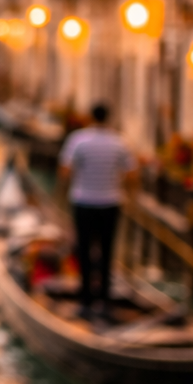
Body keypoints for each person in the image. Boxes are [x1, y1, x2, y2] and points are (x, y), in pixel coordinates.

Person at [57, 102, 138, 313]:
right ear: (108, 118)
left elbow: (65, 171)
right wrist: (126, 193)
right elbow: (131, 174)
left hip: (83, 201)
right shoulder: (120, 142)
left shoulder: (78, 140)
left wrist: (74, 182)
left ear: (90, 117)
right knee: (107, 249)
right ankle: (104, 299)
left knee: (84, 249)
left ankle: (85, 300)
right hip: (111, 203)